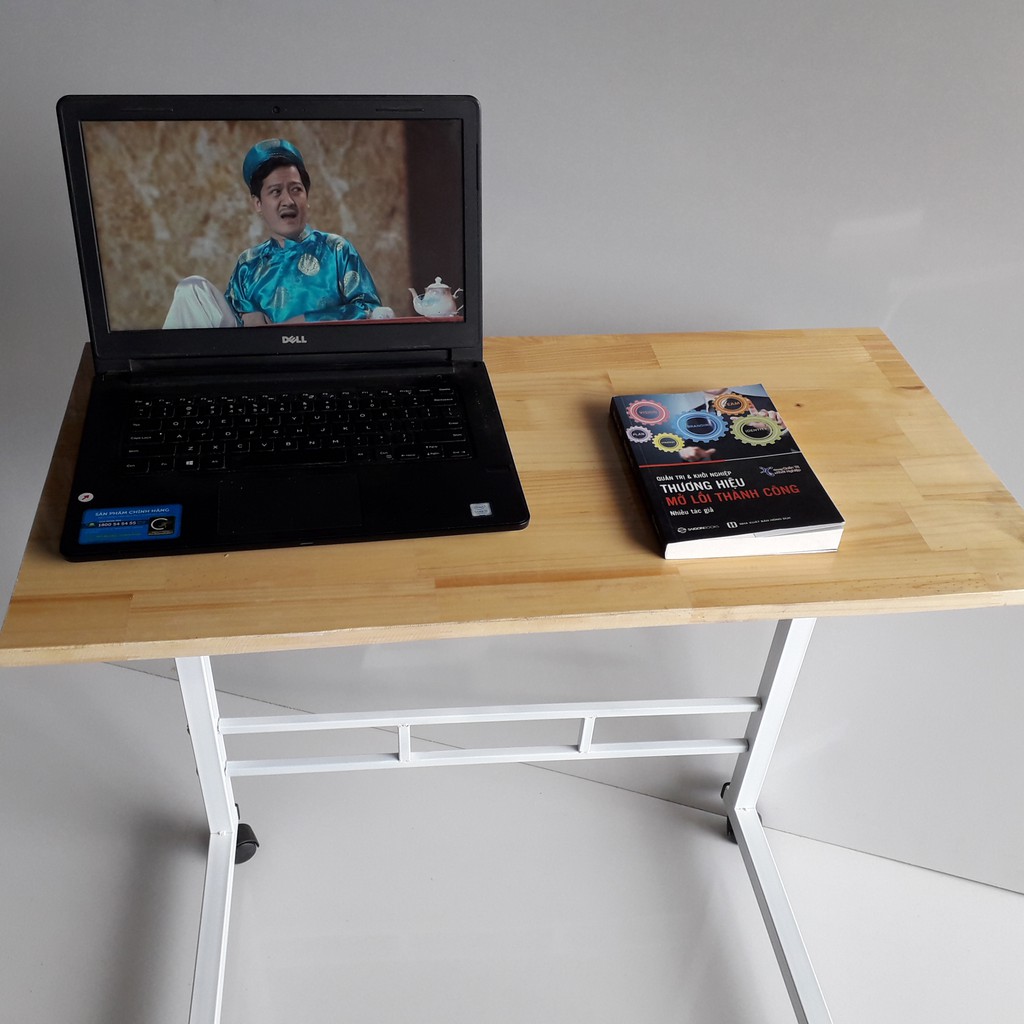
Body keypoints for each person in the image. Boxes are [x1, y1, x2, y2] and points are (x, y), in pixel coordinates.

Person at [163, 138, 384, 329]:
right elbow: (231, 328)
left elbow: (370, 309)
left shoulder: (336, 249)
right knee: (191, 288)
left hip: (326, 360)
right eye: (276, 192)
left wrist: (305, 321)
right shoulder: (249, 264)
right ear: (258, 204)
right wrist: (245, 318)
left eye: (296, 190)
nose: (288, 200)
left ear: (307, 197)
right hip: (261, 362)